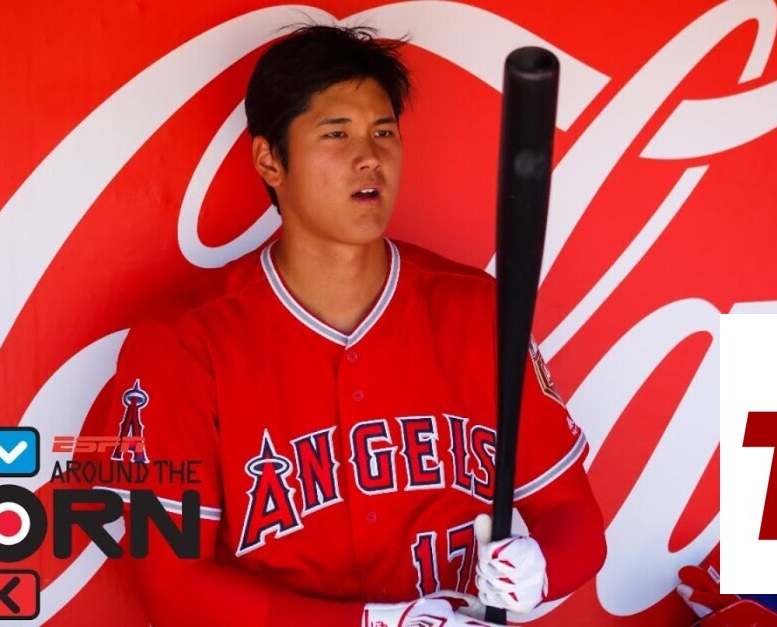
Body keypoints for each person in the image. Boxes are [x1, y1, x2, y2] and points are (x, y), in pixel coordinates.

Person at [95, 24, 606, 626]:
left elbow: (575, 518)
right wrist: (370, 624)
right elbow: (170, 585)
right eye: (336, 133)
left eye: (383, 131)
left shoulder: (478, 310)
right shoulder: (181, 343)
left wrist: (542, 568)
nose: (370, 157)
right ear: (269, 159)